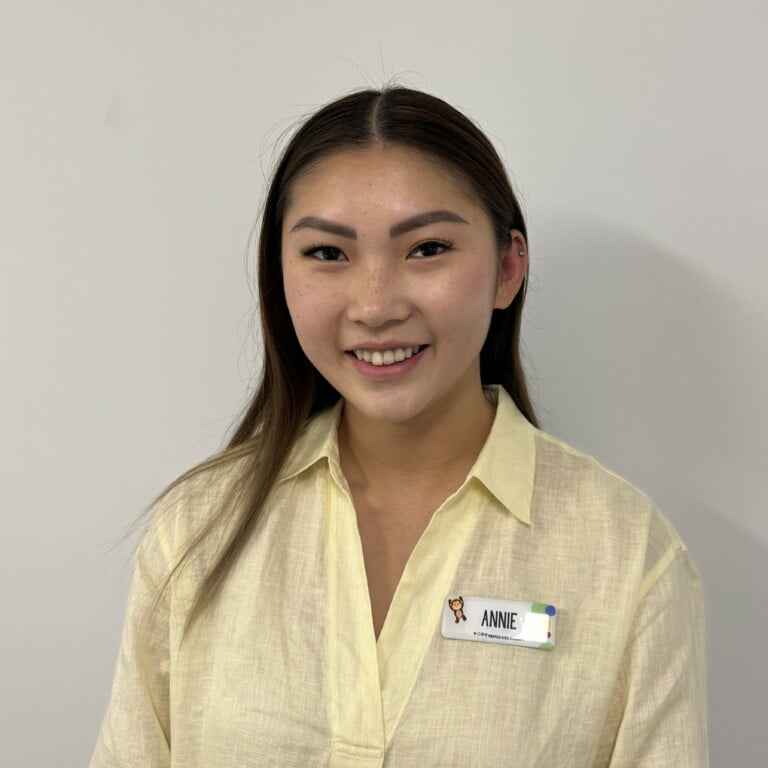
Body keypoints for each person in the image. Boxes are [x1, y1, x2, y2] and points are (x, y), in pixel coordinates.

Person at [89, 86, 708, 767]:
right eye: (328, 253)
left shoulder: (628, 557)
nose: (375, 305)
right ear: (279, 275)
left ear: (507, 269)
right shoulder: (195, 532)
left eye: (427, 248)